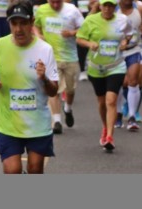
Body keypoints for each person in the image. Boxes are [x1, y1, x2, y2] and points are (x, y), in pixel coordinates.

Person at [0, 0, 58, 174]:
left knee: (35, 168)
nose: (18, 29)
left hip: (37, 125)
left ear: (32, 22)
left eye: (23, 23)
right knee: (12, 170)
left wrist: (44, 78)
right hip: (8, 124)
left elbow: (54, 91)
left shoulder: (45, 49)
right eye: (14, 23)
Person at [77, 0, 132, 152]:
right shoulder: (90, 20)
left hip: (116, 66)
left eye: (111, 5)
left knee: (111, 100)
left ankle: (109, 137)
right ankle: (105, 127)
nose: (108, 8)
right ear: (100, 5)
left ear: (115, 6)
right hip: (96, 67)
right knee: (102, 103)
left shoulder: (122, 20)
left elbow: (129, 33)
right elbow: (79, 38)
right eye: (105, 5)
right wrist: (90, 44)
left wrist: (125, 42)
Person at [33, 0, 83, 134]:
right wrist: (38, 35)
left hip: (70, 57)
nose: (55, 5)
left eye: (58, 2)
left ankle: (68, 108)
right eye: (52, 2)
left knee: (70, 90)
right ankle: (56, 121)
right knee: (53, 89)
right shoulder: (42, 10)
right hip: (51, 57)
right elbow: (35, 25)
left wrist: (71, 33)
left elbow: (84, 29)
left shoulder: (72, 10)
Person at [116, 0, 142, 131]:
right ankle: (118, 114)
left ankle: (132, 117)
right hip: (117, 51)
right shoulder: (112, 8)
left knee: (134, 81)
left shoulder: (141, 8)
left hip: (134, 49)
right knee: (119, 82)